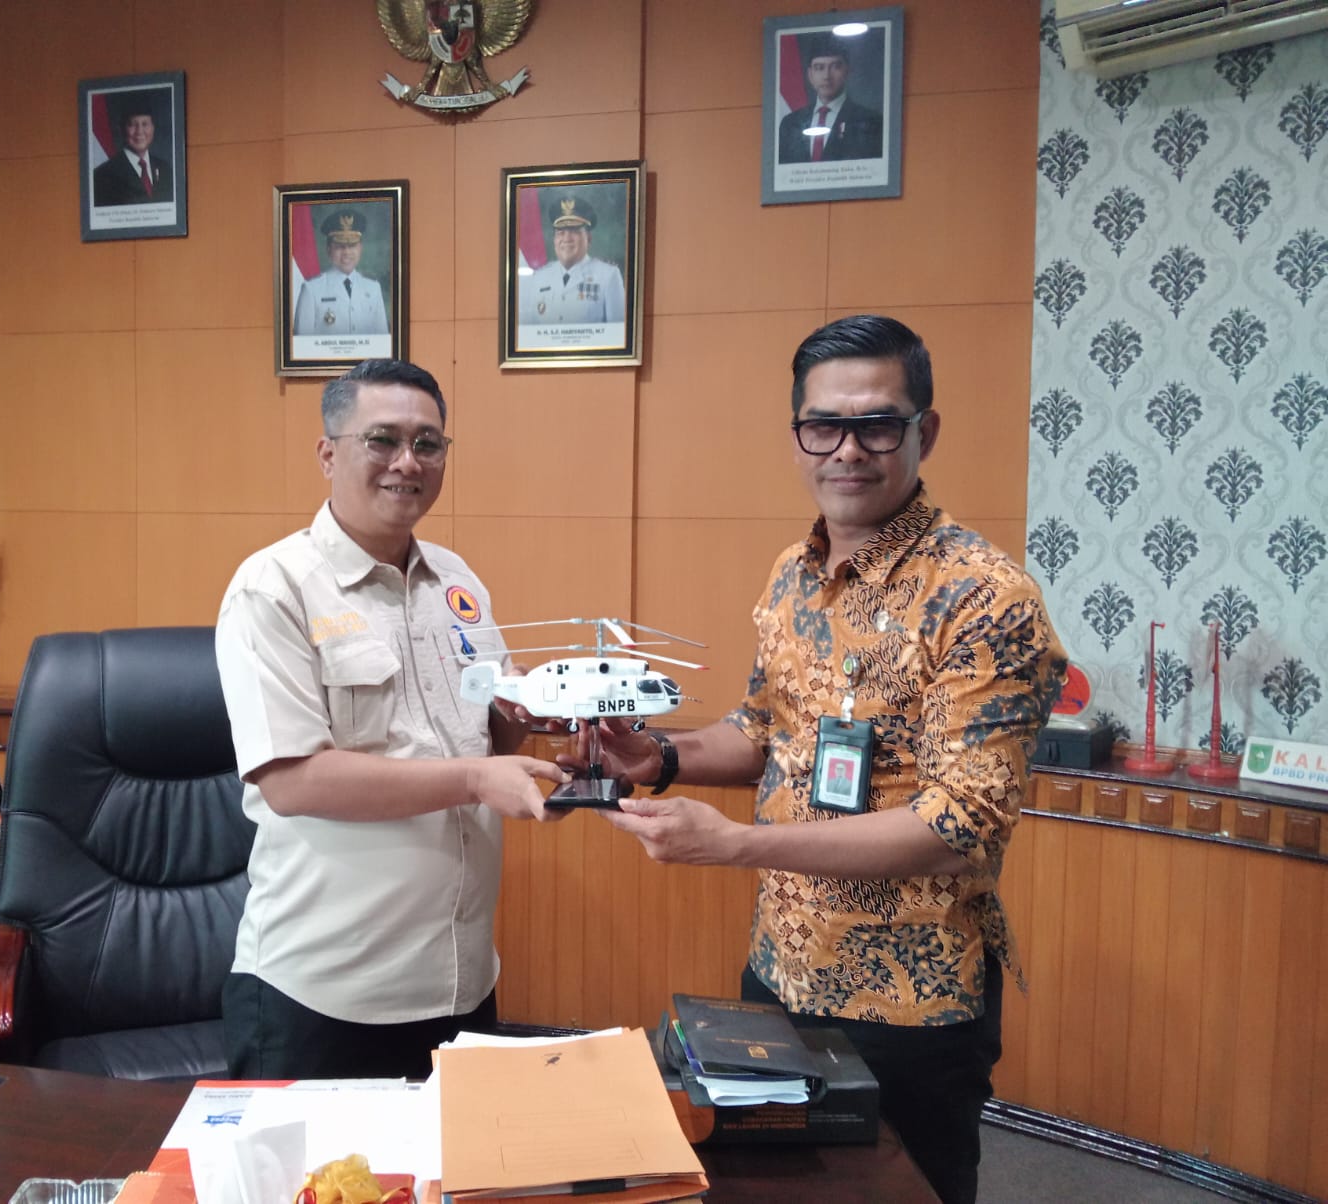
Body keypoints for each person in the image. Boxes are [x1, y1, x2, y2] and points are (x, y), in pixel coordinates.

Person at [574, 315, 1067, 1204]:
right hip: (779, 971)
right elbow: (762, 731)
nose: (848, 449)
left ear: (925, 432)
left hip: (909, 1003)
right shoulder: (792, 573)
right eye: (824, 425)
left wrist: (735, 845)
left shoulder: (985, 598)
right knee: (766, 1190)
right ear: (798, 432)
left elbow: (960, 824)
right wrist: (656, 756)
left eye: (876, 424)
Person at [214, 357, 567, 1081]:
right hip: (324, 995)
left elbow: (485, 734)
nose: (408, 462)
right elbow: (293, 781)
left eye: (428, 443)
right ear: (328, 453)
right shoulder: (273, 588)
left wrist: (527, 712)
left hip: (461, 982)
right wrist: (475, 779)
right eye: (383, 439)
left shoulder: (457, 582)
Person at [518, 195, 626, 326]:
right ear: (554, 240)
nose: (566, 238)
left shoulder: (608, 276)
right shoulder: (539, 277)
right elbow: (529, 331)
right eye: (560, 232)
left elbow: (618, 332)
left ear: (589, 238)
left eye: (574, 231)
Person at [777, 34, 884, 164]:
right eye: (819, 68)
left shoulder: (870, 122)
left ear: (847, 71)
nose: (826, 76)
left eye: (835, 66)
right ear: (810, 74)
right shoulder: (790, 124)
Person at [293, 210, 390, 337]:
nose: (346, 253)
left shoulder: (373, 288)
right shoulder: (311, 289)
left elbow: (382, 341)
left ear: (360, 248)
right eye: (339, 246)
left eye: (352, 245)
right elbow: (303, 343)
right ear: (329, 250)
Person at [92, 101, 174, 205]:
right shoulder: (103, 175)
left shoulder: (165, 169)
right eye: (132, 125)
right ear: (122, 129)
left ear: (153, 128)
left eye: (145, 124)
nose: (139, 131)